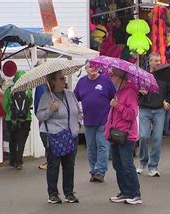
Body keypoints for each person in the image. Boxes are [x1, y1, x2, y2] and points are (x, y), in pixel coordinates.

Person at [36, 70, 82, 204]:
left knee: (69, 164)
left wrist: (78, 123)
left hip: (71, 134)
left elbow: (78, 111)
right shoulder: (46, 97)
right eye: (61, 78)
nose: (64, 80)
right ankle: (53, 194)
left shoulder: (70, 94)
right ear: (53, 81)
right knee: (54, 164)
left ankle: (69, 192)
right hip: (53, 134)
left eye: (64, 78)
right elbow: (40, 116)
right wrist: (50, 110)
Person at [74, 61, 116, 183]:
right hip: (88, 120)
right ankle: (94, 171)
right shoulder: (81, 82)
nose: (93, 68)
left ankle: (100, 171)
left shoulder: (106, 81)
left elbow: (114, 96)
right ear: (85, 68)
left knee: (102, 145)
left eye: (95, 66)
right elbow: (75, 98)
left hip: (104, 120)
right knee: (91, 148)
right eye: (90, 66)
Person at [106, 68, 142, 205]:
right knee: (118, 164)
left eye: (113, 75)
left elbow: (131, 114)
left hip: (126, 134)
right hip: (115, 132)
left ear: (119, 77)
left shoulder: (130, 91)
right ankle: (124, 191)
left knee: (127, 165)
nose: (111, 78)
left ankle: (135, 193)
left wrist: (118, 106)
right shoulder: (119, 91)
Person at [137, 52, 170, 177]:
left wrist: (166, 101)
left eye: (159, 60)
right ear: (150, 61)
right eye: (155, 60)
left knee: (157, 139)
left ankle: (153, 166)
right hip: (144, 109)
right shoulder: (143, 74)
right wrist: (140, 92)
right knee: (143, 136)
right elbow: (134, 89)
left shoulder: (165, 75)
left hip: (159, 110)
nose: (158, 63)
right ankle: (142, 161)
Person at [2, 70, 33, 170]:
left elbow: (5, 104)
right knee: (21, 141)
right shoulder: (28, 91)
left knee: (12, 140)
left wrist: (10, 114)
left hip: (11, 119)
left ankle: (12, 160)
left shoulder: (9, 90)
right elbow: (30, 103)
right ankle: (19, 162)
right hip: (25, 119)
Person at [34, 83, 48, 170]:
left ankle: (49, 160)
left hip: (43, 115)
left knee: (45, 138)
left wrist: (38, 115)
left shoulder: (40, 87)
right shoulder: (52, 85)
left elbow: (37, 102)